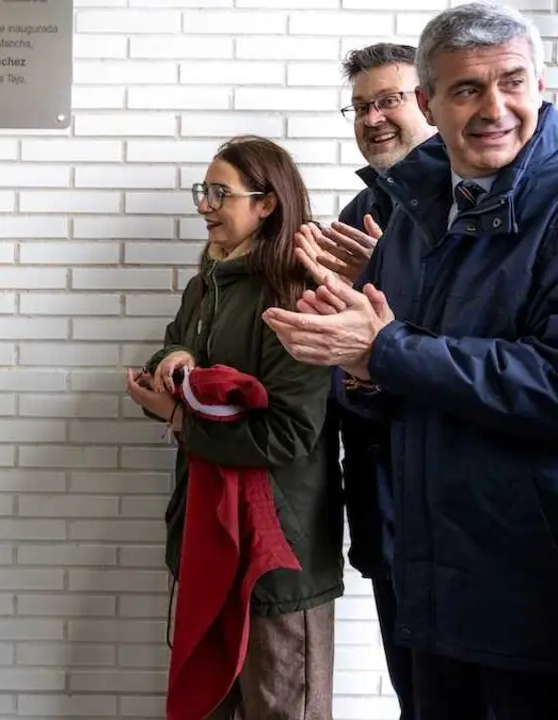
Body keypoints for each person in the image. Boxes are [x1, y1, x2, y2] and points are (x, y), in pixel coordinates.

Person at [264, 2, 558, 716]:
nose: (494, 108)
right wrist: (360, 370)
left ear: (541, 86)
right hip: (427, 568)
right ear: (434, 101)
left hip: (532, 587)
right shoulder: (412, 209)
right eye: (466, 90)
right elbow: (381, 377)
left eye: (512, 83)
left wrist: (384, 350)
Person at [127, 136, 342, 719]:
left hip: (276, 557)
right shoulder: (208, 284)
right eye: (204, 191)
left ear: (267, 203)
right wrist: (173, 359)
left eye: (220, 193)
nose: (205, 205)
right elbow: (175, 345)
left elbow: (290, 435)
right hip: (208, 539)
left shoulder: (297, 296)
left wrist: (176, 417)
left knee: (280, 708)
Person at [308, 42, 436, 720]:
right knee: (411, 689)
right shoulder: (365, 206)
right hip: (386, 500)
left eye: (390, 99)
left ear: (433, 101)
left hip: (457, 507)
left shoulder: (470, 206)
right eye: (361, 106)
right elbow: (351, 351)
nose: (374, 117)